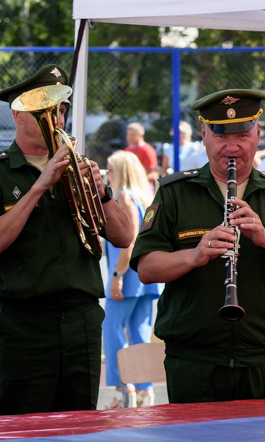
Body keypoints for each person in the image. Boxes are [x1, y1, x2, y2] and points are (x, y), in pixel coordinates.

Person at [131, 89, 265, 404]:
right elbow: (147, 270)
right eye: (220, 136)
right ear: (204, 134)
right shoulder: (174, 193)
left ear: (258, 133)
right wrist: (194, 255)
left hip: (261, 360)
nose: (232, 147)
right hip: (192, 361)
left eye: (243, 135)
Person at [0, 65, 134, 416]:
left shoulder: (81, 165)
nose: (56, 117)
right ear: (17, 115)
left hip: (82, 319)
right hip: (25, 322)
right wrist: (41, 184)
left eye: (60, 108)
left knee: (80, 425)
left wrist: (102, 193)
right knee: (23, 428)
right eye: (44, 109)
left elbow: (123, 235)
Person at [102, 150, 162, 408]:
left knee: (112, 330)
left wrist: (117, 274)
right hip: (143, 277)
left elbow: (130, 241)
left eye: (110, 169)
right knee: (140, 333)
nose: (107, 174)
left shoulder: (125, 198)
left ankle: (120, 390)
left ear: (120, 172)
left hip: (127, 275)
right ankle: (144, 391)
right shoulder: (144, 197)